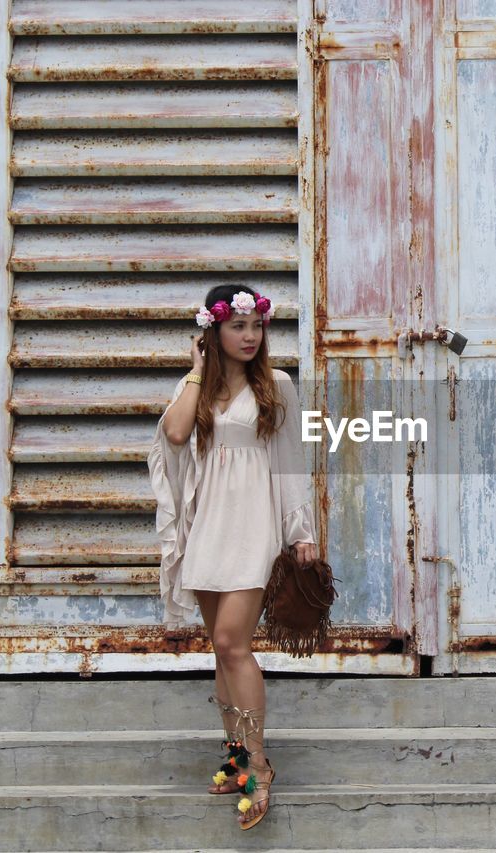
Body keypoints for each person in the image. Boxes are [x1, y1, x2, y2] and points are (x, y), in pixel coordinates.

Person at [146, 284, 319, 831]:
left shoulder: (278, 387)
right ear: (214, 332)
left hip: (252, 525)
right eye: (237, 327)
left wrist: (301, 532)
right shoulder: (195, 387)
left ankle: (259, 763)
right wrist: (197, 369)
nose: (249, 336)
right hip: (208, 527)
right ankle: (236, 757)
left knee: (231, 643)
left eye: (256, 326)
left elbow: (292, 463)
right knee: (220, 652)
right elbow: (174, 434)